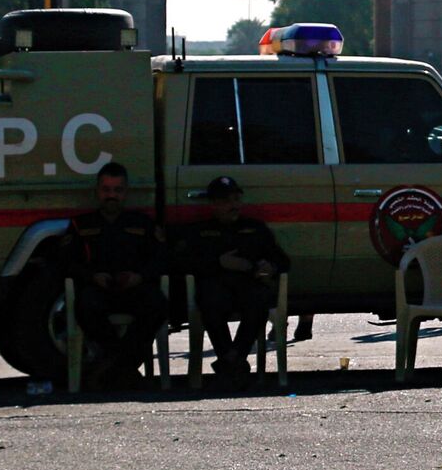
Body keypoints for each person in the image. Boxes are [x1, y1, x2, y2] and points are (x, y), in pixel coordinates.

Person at [58, 162, 167, 385]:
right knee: (85, 304)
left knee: (158, 304)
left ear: (125, 193)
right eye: (106, 190)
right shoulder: (81, 225)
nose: (111, 195)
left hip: (133, 289)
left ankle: (115, 364)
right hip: (99, 290)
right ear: (97, 192)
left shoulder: (142, 223)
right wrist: (92, 277)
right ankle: (124, 365)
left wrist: (140, 277)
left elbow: (161, 259)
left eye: (117, 190)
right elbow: (66, 262)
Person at [182, 176, 291, 386]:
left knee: (260, 299)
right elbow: (185, 263)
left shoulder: (255, 228)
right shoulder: (200, 232)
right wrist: (219, 262)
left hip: (248, 286)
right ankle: (234, 362)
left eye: (236, 200)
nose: (233, 206)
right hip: (216, 286)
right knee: (210, 301)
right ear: (213, 204)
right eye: (226, 201)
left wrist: (271, 267)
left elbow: (282, 260)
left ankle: (230, 360)